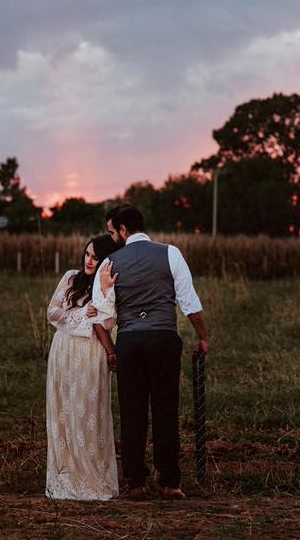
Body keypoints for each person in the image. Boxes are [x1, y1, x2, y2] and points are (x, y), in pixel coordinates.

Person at [92, 204, 210, 500]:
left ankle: (136, 482)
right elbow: (189, 302)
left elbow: (103, 317)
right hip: (163, 339)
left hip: (130, 341)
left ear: (123, 230)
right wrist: (203, 337)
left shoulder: (110, 264)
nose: (112, 237)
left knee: (132, 411)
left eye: (112, 231)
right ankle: (169, 481)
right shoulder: (171, 253)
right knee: (165, 409)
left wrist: (111, 346)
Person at [45, 234, 121, 500]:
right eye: (87, 255)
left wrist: (99, 307)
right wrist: (80, 313)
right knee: (65, 410)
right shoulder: (70, 278)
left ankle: (91, 476)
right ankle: (66, 474)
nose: (89, 261)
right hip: (63, 349)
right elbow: (52, 312)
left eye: (95, 257)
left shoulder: (110, 286)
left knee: (89, 409)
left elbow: (110, 322)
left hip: (91, 353)